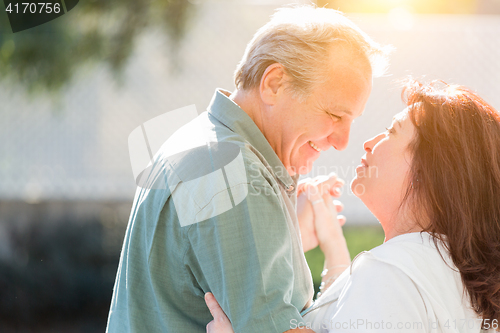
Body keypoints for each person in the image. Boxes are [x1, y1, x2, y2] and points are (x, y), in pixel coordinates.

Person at [105, 5, 389, 333]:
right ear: (274, 84)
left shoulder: (206, 144)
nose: (343, 141)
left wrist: (285, 237)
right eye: (335, 115)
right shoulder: (232, 171)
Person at [203, 80, 500, 333]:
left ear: (431, 170)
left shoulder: (389, 274)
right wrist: (331, 244)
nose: (370, 142)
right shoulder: (453, 269)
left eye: (392, 131)